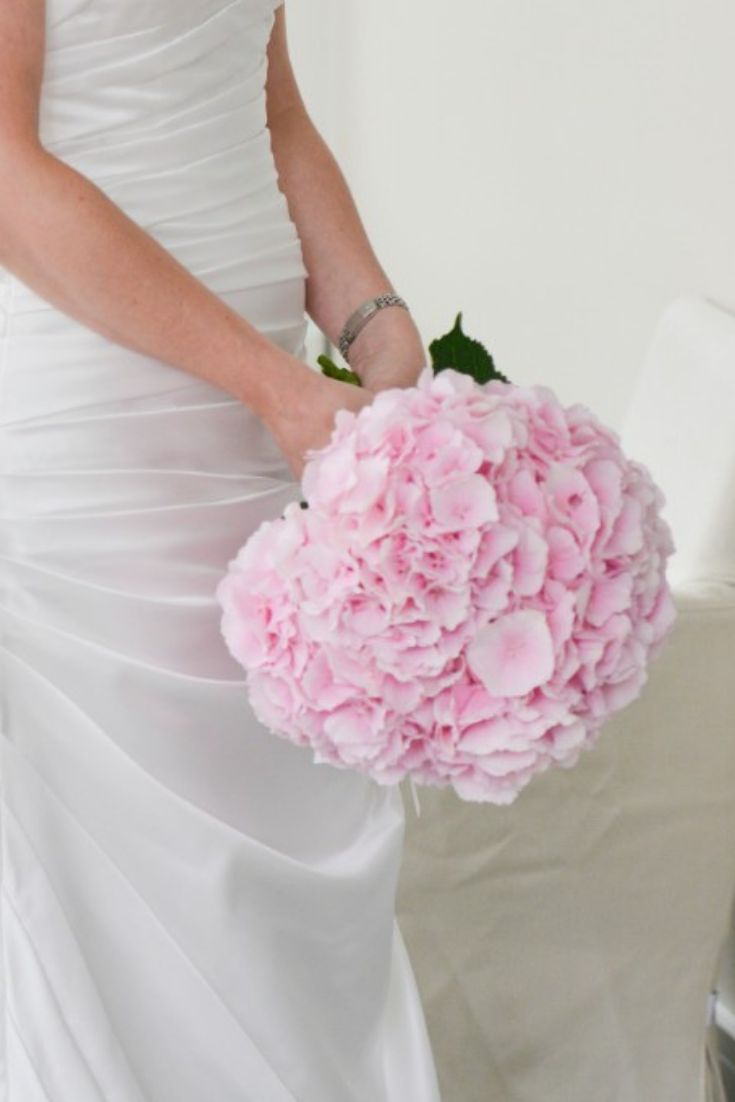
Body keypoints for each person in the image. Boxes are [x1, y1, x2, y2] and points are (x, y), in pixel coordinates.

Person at [0, 2, 441, 1099]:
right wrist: (270, 379)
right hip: (96, 413)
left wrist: (375, 325)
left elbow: (269, 101)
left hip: (263, 427)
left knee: (271, 831)